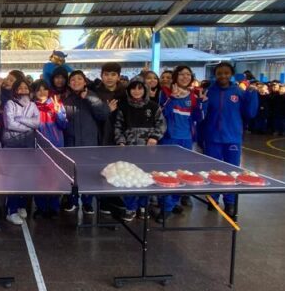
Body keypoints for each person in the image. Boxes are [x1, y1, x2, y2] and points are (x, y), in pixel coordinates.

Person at [199, 62, 258, 216]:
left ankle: (230, 201)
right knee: (213, 170)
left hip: (233, 138)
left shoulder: (238, 92)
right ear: (215, 75)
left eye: (226, 73)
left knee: (232, 171)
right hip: (212, 138)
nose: (223, 76)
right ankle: (213, 199)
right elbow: (201, 116)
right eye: (219, 73)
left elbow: (250, 114)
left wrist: (252, 96)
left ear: (231, 74)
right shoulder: (209, 91)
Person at [113, 78, 166, 221]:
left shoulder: (153, 106)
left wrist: (154, 137)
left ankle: (143, 207)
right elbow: (118, 126)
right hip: (129, 149)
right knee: (129, 178)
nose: (136, 91)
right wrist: (121, 141)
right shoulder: (123, 107)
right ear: (128, 91)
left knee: (145, 178)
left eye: (140, 88)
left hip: (148, 150)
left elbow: (161, 124)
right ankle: (130, 208)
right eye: (133, 88)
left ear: (145, 90)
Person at [62, 70, 109, 214]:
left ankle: (88, 202)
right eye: (73, 80)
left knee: (89, 172)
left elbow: (104, 114)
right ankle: (72, 200)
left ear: (85, 81)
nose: (76, 82)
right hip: (71, 143)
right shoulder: (66, 99)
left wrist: (89, 98)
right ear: (69, 83)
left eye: (79, 79)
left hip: (89, 142)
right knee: (72, 173)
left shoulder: (93, 95)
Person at [159, 65, 202, 218]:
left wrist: (201, 102)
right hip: (169, 138)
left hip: (186, 139)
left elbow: (198, 118)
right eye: (182, 74)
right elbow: (162, 114)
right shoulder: (165, 92)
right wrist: (172, 98)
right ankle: (165, 207)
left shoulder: (194, 95)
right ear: (176, 77)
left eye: (188, 74)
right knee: (166, 173)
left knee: (181, 173)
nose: (185, 77)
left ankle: (173, 203)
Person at [2, 77, 40, 225]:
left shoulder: (32, 105)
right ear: (15, 90)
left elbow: (37, 122)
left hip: (28, 144)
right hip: (12, 144)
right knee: (13, 177)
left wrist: (20, 118)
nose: (23, 90)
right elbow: (9, 124)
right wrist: (29, 127)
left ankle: (20, 205)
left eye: (26, 88)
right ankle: (11, 211)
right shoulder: (9, 104)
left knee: (25, 176)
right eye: (20, 88)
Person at [31, 80, 68, 218]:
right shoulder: (31, 106)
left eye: (44, 89)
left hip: (56, 145)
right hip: (38, 146)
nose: (42, 92)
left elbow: (64, 125)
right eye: (38, 89)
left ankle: (54, 207)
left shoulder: (56, 104)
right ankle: (40, 207)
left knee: (55, 177)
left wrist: (58, 113)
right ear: (34, 92)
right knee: (38, 177)